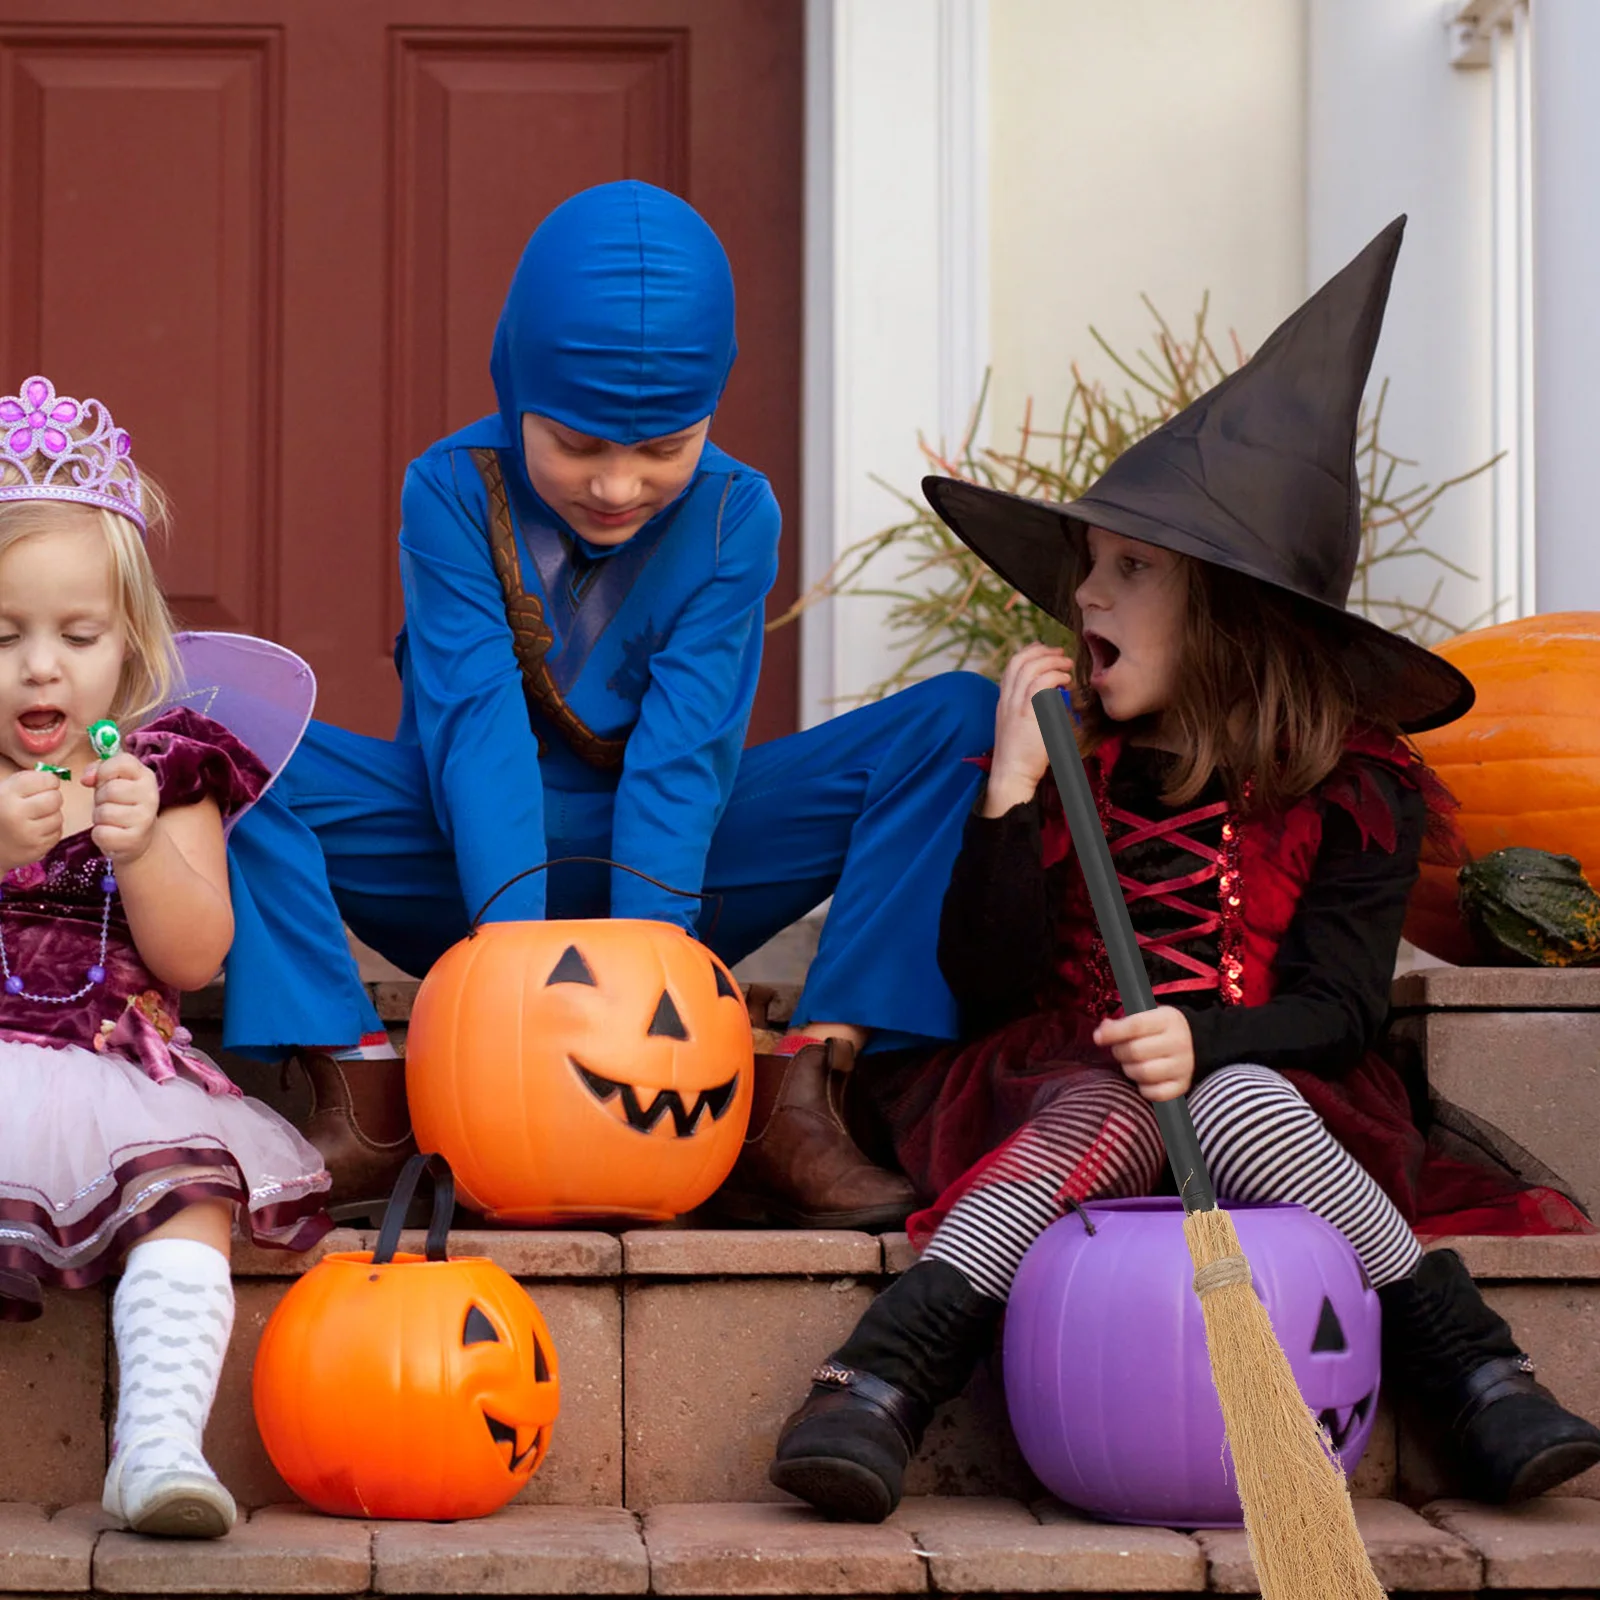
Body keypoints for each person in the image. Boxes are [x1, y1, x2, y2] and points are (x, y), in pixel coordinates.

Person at [767, 218, 1600, 1524]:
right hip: (1064, 1080)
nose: (1085, 598)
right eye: (1087, 569)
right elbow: (983, 978)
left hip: (1277, 1083)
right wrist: (1009, 797)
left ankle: (1476, 1374)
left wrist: (1203, 1041)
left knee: (1238, 1098)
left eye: (1130, 570)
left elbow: (1341, 1007)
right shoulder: (1073, 765)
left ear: (1230, 610)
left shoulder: (1354, 786)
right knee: (1107, 1101)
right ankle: (876, 1380)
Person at [221, 179, 997, 1226]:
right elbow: (477, 728)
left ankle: (800, 1098)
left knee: (955, 721)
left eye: (663, 449)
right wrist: (515, 987)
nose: (619, 487)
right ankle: (362, 1096)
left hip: (683, 876)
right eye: (579, 445)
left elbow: (687, 754)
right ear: (516, 388)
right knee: (221, 732)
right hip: (456, 870)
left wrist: (644, 991)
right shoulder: (450, 490)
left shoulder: (735, 513)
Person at [0, 377, 330, 1537]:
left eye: (77, 635)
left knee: (189, 1206)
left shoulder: (163, 767)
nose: (41, 667)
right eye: (3, 635)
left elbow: (195, 952)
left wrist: (139, 848)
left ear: (132, 642)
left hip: (116, 1069)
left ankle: (156, 1448)